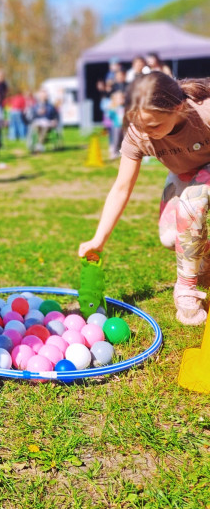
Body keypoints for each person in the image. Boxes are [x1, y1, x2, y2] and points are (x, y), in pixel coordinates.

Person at [78, 72, 210, 326]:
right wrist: (99, 239)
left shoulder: (203, 113)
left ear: (178, 108)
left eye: (154, 126)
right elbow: (121, 188)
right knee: (171, 237)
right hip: (186, 172)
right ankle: (203, 261)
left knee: (192, 205)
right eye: (140, 126)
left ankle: (185, 289)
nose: (146, 133)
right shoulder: (139, 134)